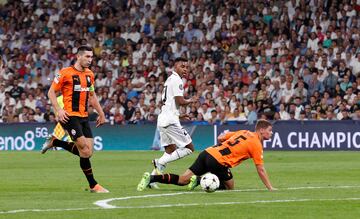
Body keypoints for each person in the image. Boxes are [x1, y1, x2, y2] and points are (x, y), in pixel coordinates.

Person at [137, 119, 276, 191]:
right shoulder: (257, 144)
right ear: (262, 130)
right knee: (230, 187)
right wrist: (270, 187)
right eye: (270, 131)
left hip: (207, 152)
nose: (271, 133)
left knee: (183, 179)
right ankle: (199, 180)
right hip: (219, 161)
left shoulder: (244, 132)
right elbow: (260, 169)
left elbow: (221, 138)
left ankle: (151, 178)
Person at [41, 45, 108, 193]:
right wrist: (58, 110)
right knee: (84, 149)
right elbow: (51, 92)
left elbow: (92, 96)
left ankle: (55, 141)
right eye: (87, 57)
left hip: (84, 116)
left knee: (88, 152)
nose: (90, 60)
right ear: (78, 56)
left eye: (91, 57)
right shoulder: (65, 73)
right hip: (69, 116)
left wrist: (101, 114)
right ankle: (94, 185)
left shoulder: (90, 74)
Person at [150, 57, 198, 187]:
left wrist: (180, 115)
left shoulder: (169, 80)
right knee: (189, 148)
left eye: (187, 67)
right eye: (182, 66)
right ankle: (159, 162)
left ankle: (152, 180)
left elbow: (168, 103)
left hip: (164, 119)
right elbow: (180, 101)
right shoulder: (177, 80)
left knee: (170, 151)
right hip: (170, 121)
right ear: (175, 67)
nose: (185, 70)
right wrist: (191, 100)